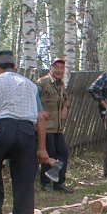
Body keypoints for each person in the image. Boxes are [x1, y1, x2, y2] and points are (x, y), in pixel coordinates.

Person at [0, 50, 50, 214]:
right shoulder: (30, 85)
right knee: (24, 183)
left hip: (4, 127)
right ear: (15, 67)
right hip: (28, 133)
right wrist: (42, 148)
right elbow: (41, 118)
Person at [36, 58, 73, 193]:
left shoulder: (61, 84)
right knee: (49, 153)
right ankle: (45, 183)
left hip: (58, 127)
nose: (59, 70)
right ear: (51, 68)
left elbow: (66, 99)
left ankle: (59, 182)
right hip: (45, 127)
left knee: (63, 153)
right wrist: (39, 112)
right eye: (56, 67)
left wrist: (65, 107)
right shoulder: (42, 83)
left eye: (62, 68)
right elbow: (34, 100)